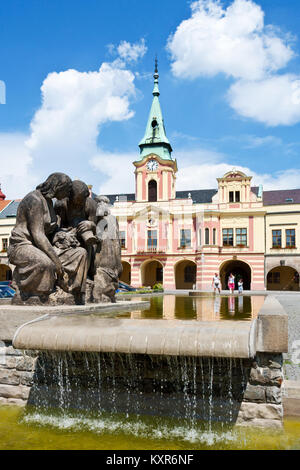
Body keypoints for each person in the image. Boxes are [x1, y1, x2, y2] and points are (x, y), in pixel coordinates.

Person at [8, 173, 72, 304]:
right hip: (21, 245)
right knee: (46, 264)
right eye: (66, 190)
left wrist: (64, 235)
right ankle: (34, 295)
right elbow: (38, 234)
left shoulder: (49, 202)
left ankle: (67, 291)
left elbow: (49, 231)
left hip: (38, 245)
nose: (67, 194)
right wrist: (56, 261)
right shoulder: (35, 199)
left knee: (78, 254)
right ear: (57, 187)